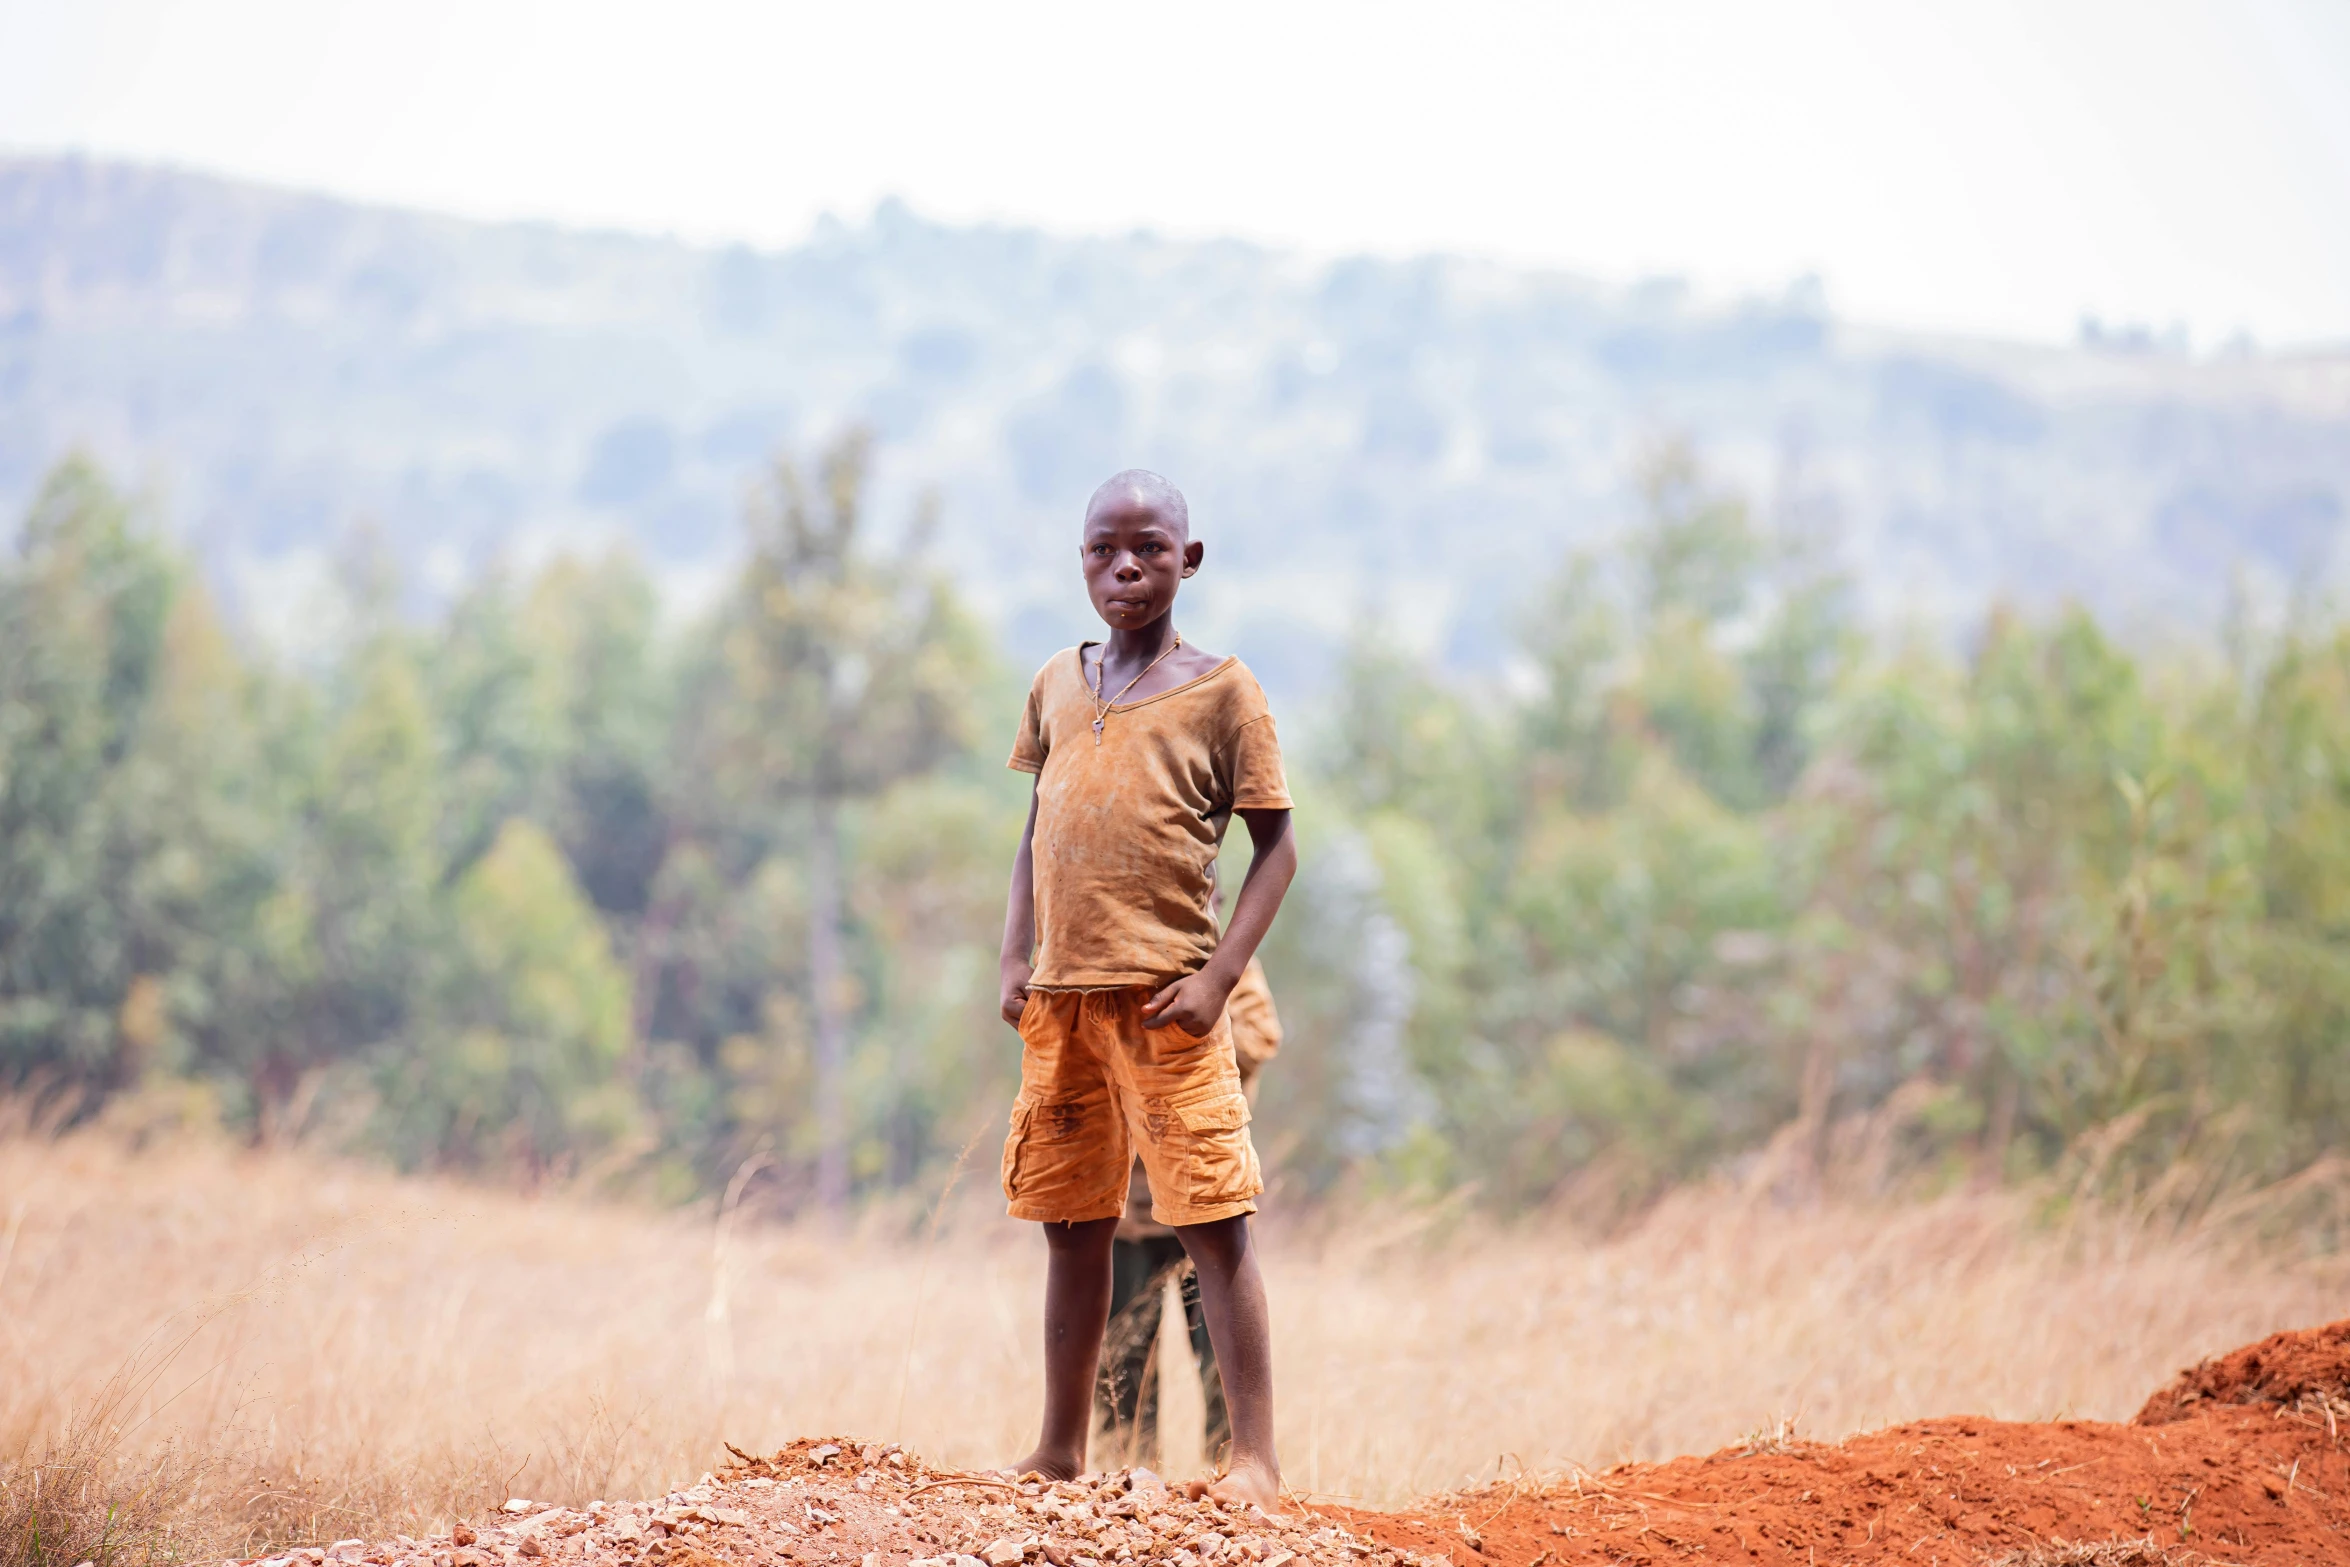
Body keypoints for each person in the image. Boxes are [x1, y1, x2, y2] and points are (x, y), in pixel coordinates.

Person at [996, 469, 1297, 1511]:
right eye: (1103, 549)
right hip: (1065, 1003)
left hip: (1167, 1002)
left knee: (1215, 1221)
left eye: (1150, 548)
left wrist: (1218, 977)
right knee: (1069, 1226)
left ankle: (1252, 1459)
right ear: (1079, 559)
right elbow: (1037, 831)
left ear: (1189, 559)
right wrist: (1013, 959)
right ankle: (1057, 1449)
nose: (1126, 566)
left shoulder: (1224, 690)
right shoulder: (1054, 683)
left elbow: (1277, 848)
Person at [1095, 957, 1282, 1470]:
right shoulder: (1109, 957)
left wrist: (1176, 1027)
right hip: (1126, 1209)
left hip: (1205, 1193)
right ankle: (1125, 1476)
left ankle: (1228, 1472)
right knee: (1121, 1361)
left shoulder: (1223, 960)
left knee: (1221, 1354)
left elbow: (1260, 1037)